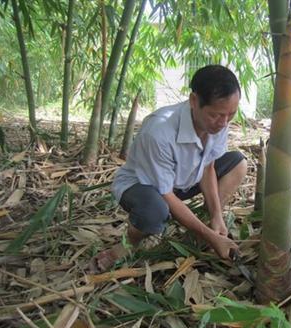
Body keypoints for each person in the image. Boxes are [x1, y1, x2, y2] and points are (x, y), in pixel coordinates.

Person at [90, 65, 247, 272]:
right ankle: (128, 245)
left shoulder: (219, 122)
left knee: (238, 163)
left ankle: (207, 227)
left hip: (183, 180)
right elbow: (166, 194)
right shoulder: (158, 132)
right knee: (154, 211)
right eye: (216, 115)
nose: (224, 123)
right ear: (193, 101)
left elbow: (208, 166)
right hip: (144, 187)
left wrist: (217, 215)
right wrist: (208, 237)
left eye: (231, 114)